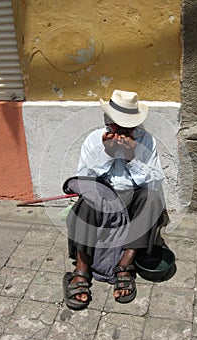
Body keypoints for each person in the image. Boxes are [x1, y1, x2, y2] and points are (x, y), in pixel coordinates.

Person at [62, 89, 168, 310]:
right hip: (103, 195)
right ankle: (81, 269)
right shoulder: (93, 140)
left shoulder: (146, 141)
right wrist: (106, 155)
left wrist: (131, 159)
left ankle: (125, 264)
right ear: (107, 121)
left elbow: (154, 182)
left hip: (134, 197)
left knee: (153, 200)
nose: (121, 133)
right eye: (116, 126)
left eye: (127, 128)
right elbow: (84, 179)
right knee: (86, 203)